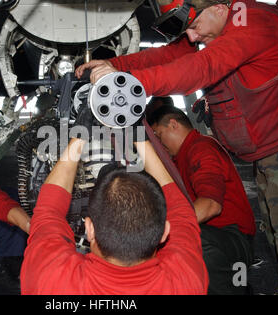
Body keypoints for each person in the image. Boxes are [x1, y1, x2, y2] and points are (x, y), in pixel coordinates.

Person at [76, 0, 278, 276]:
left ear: (220, 8)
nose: (191, 37)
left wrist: (127, 83)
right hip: (268, 154)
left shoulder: (253, 23)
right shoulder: (219, 26)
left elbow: (201, 68)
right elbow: (167, 57)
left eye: (194, 27)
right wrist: (114, 64)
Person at [19, 105, 209, 294]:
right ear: (164, 231)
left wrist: (78, 137)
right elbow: (182, 213)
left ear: (90, 229)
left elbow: (47, 212)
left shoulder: (51, 281)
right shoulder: (186, 281)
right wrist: (140, 137)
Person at [149, 102, 255, 294]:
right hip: (217, 235)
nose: (159, 143)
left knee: (186, 238)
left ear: (173, 125)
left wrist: (160, 231)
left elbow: (211, 205)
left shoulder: (201, 148)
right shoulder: (180, 158)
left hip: (231, 238)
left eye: (158, 135)